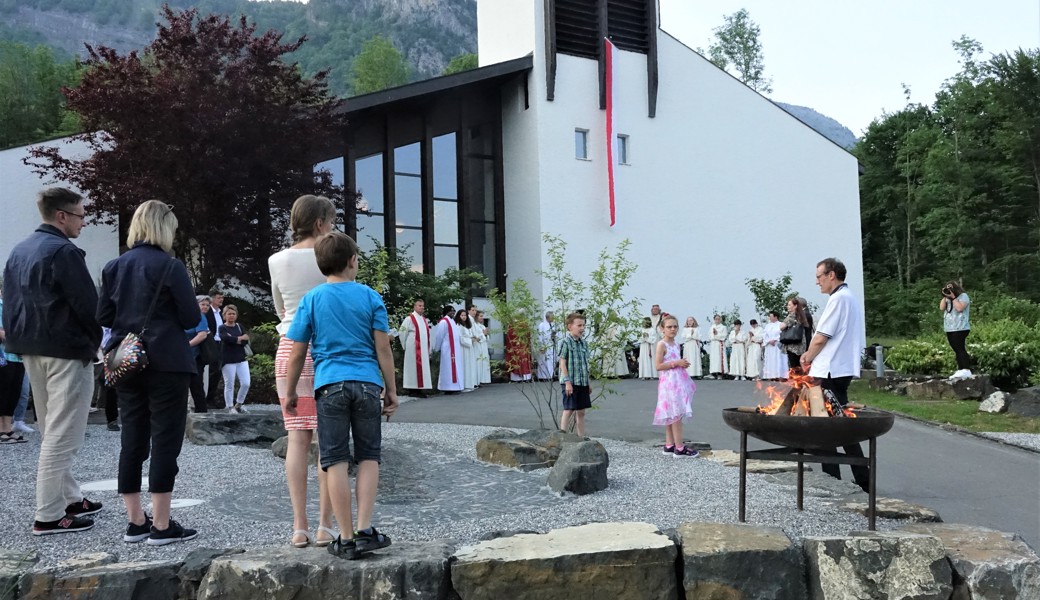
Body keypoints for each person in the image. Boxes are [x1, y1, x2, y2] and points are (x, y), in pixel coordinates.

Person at [282, 231, 398, 560]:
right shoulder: (370, 297)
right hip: (366, 384)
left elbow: (296, 352)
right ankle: (364, 530)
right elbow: (383, 349)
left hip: (328, 385)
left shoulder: (312, 299)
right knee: (368, 456)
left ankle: (344, 537)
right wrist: (391, 390)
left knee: (334, 460)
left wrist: (291, 392)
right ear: (352, 261)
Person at [97, 199, 203, 545]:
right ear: (164, 227)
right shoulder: (170, 267)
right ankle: (161, 525)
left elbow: (103, 316)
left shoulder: (113, 267)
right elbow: (190, 318)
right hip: (167, 361)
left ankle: (135, 521)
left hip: (126, 360)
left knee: (133, 438)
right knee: (166, 440)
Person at [2, 187, 104, 535]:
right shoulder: (64, 251)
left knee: (50, 426)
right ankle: (48, 514)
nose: (84, 221)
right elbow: (88, 306)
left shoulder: (19, 250)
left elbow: (11, 301)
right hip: (66, 349)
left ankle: (70, 498)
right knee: (63, 434)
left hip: (30, 348)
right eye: (80, 215)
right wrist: (96, 342)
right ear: (62, 215)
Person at [269, 194, 336, 548]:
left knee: (298, 440)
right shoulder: (332, 255)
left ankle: (299, 525)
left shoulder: (276, 260)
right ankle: (326, 524)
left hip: (290, 348)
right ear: (321, 222)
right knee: (330, 441)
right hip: (328, 350)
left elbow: (281, 309)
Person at [800, 258, 868, 493]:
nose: (816, 281)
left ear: (832, 275)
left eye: (819, 276)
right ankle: (860, 478)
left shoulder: (838, 299)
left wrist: (807, 357)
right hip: (841, 368)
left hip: (829, 370)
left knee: (826, 427)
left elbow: (821, 337)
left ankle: (836, 480)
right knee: (839, 424)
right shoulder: (849, 298)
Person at [654, 315, 698, 457]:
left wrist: (681, 363)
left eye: (675, 326)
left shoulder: (676, 344)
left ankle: (669, 444)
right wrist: (676, 363)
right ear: (662, 329)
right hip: (669, 384)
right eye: (669, 327)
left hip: (678, 382)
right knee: (675, 413)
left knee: (672, 413)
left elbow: (674, 360)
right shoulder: (662, 344)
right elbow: (658, 365)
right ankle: (679, 447)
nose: (672, 329)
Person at [0, 282, 28, 444]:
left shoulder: (19, 309)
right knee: (2, 391)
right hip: (3, 356)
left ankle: (8, 427)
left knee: (14, 392)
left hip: (18, 356)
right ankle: (1, 429)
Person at [558, 312, 591, 437]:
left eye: (583, 325)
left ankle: (581, 437)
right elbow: (562, 362)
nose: (582, 328)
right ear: (569, 326)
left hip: (582, 382)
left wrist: (588, 383)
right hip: (570, 382)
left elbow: (585, 364)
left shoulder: (583, 343)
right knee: (569, 409)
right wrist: (567, 382)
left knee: (581, 411)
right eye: (579, 325)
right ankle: (562, 436)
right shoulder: (565, 342)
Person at [218, 305, 251, 413]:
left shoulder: (239, 326)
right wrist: (238, 339)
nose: (231, 316)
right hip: (228, 359)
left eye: (233, 314)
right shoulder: (222, 328)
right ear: (224, 315)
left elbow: (246, 339)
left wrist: (235, 339)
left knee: (246, 383)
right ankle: (229, 406)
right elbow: (226, 338)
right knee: (229, 383)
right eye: (229, 314)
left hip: (241, 358)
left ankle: (239, 403)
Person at [398, 299, 433, 396]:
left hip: (423, 349)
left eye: (422, 306)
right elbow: (402, 331)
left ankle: (421, 389)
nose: (421, 307)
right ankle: (413, 390)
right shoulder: (409, 319)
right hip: (413, 348)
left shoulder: (423, 319)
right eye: (419, 305)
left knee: (423, 369)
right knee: (412, 368)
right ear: (414, 306)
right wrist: (405, 345)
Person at [186, 296, 213, 414]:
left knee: (196, 386)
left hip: (195, 356)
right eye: (203, 304)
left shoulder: (200, 317)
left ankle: (201, 412)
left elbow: (202, 335)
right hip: (186, 356)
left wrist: (186, 346)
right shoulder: (189, 316)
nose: (205, 307)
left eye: (207, 305)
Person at [940, 281, 972, 379]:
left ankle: (966, 369)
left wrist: (953, 297)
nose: (949, 290)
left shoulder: (963, 296)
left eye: (950, 288)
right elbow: (941, 308)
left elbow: (959, 308)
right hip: (950, 328)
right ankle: (961, 369)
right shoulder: (947, 298)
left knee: (960, 348)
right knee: (956, 349)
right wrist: (945, 296)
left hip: (961, 327)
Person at [434, 305, 465, 392]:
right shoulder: (443, 322)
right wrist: (437, 348)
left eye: (454, 311)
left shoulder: (452, 321)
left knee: (456, 368)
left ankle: (455, 387)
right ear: (446, 312)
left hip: (455, 350)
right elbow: (439, 336)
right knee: (448, 369)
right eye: (451, 311)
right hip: (447, 351)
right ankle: (448, 388)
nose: (453, 313)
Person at [203, 287, 225, 408]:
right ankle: (207, 399)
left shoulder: (221, 312)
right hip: (211, 343)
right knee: (212, 371)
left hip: (220, 343)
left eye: (222, 297)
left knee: (217, 372)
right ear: (212, 299)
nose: (221, 299)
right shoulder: (208, 312)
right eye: (218, 297)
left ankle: (211, 398)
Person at [780, 297, 811, 375]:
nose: (787, 306)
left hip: (793, 345)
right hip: (801, 344)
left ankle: (796, 384)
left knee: (793, 367)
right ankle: (800, 383)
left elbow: (782, 326)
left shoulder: (792, 315)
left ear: (795, 306)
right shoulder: (802, 315)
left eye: (789, 305)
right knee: (799, 366)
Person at [456, 309, 479, 393]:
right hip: (463, 349)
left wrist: (472, 338)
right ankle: (464, 385)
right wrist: (470, 340)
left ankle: (470, 384)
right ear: (458, 316)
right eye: (462, 315)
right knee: (465, 366)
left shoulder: (466, 325)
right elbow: (460, 338)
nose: (464, 317)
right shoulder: (458, 325)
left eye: (465, 315)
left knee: (470, 365)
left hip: (469, 348)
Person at [762, 311, 788, 380]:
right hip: (769, 346)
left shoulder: (781, 324)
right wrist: (768, 341)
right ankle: (770, 376)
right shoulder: (768, 325)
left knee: (778, 360)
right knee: (770, 361)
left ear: (775, 317)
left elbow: (782, 334)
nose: (769, 318)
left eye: (771, 316)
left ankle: (780, 376)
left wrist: (775, 339)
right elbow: (764, 335)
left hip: (777, 345)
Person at [536, 312, 556, 380]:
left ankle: (550, 375)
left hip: (551, 345)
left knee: (551, 361)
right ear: (547, 317)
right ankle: (543, 376)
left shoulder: (553, 324)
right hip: (545, 345)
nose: (553, 318)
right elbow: (540, 336)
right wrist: (541, 346)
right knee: (544, 361)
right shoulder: (542, 325)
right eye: (551, 317)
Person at [475, 311, 492, 385]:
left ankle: (484, 379)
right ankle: (479, 380)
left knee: (484, 362)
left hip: (484, 346)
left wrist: (486, 334)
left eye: (482, 316)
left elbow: (487, 338)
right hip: (479, 346)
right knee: (479, 362)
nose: (482, 318)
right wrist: (483, 334)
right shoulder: (475, 326)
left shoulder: (482, 326)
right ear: (476, 317)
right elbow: (476, 337)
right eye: (480, 316)